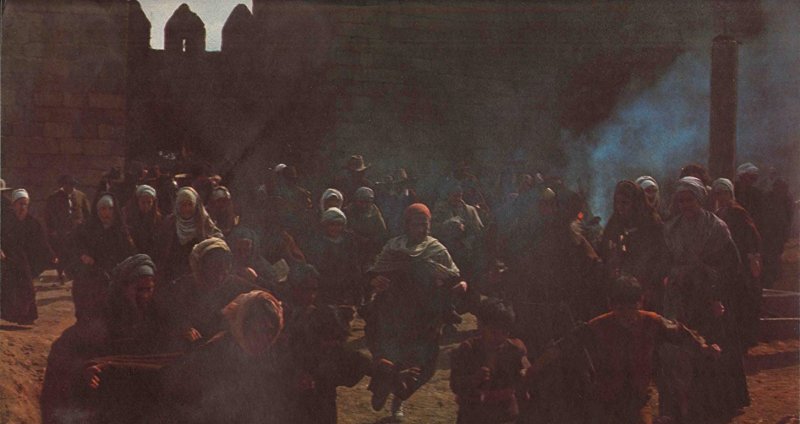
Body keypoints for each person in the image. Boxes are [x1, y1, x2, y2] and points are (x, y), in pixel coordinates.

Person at [527, 276, 721, 424]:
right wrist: (533, 368)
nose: (627, 315)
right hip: (606, 401)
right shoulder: (599, 326)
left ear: (640, 302)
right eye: (620, 309)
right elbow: (563, 345)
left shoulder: (652, 322)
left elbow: (681, 333)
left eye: (631, 308)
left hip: (639, 397)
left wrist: (704, 347)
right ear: (611, 305)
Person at [364, 203, 467, 420]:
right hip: (393, 313)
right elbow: (373, 273)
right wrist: (375, 280)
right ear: (407, 225)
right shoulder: (394, 247)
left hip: (426, 315)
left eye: (425, 223)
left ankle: (399, 395)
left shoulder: (436, 249)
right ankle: (384, 387)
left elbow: (454, 276)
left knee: (425, 367)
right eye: (417, 224)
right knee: (393, 357)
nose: (422, 228)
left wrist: (461, 285)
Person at [660, 176, 749, 422]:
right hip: (679, 300)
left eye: (690, 200)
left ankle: (713, 408)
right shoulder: (671, 229)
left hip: (708, 299)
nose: (685, 205)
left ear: (699, 199)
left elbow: (732, 265)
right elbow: (663, 261)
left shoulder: (716, 228)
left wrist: (710, 282)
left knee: (709, 350)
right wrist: (673, 275)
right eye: (681, 201)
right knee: (680, 350)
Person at [40, 255, 161, 424]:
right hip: (104, 403)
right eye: (139, 290)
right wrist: (81, 372)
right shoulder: (99, 318)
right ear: (123, 288)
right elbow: (63, 357)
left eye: (149, 289)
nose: (145, 296)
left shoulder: (158, 318)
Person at [156, 290, 290, 424]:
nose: (264, 339)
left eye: (270, 332)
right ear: (244, 325)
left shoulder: (266, 362)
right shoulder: (214, 353)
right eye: (258, 330)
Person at [282, 265, 371, 424]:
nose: (310, 294)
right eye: (305, 289)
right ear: (293, 288)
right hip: (289, 391)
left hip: (321, 390)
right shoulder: (280, 315)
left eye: (314, 289)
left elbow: (339, 350)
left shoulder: (321, 314)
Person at [153, 237, 258, 351]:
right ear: (200, 267)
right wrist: (182, 327)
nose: (220, 276)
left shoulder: (233, 284)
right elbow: (163, 312)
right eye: (214, 268)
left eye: (225, 268)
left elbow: (263, 295)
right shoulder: (181, 287)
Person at [450, 298, 530, 424]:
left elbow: (524, 373)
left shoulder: (515, 349)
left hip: (505, 414)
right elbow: (455, 384)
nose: (500, 337)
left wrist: (524, 376)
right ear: (481, 326)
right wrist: (474, 379)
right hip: (473, 415)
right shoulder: (468, 350)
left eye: (504, 332)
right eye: (494, 332)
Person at [599, 181, 667, 312]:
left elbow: (661, 258)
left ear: (635, 203)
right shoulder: (614, 223)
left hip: (647, 286)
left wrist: (650, 284)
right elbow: (605, 251)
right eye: (617, 203)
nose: (620, 207)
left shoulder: (652, 224)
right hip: (620, 287)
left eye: (625, 203)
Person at [711, 178, 762, 347]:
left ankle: (746, 338)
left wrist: (752, 256)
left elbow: (751, 235)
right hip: (725, 262)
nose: (721, 197)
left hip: (741, 261)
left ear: (730, 193)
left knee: (743, 299)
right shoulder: (718, 213)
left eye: (724, 193)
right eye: (718, 193)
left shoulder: (738, 212)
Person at [71, 193, 136, 321]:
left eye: (110, 209)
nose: (106, 213)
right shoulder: (87, 229)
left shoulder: (122, 230)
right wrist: (84, 255)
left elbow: (130, 252)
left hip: (115, 272)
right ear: (97, 210)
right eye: (103, 209)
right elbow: (76, 246)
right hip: (93, 271)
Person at [1, 189, 57, 325]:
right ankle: (14, 315)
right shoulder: (5, 220)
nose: (22, 207)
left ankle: (26, 316)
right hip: (7, 258)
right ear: (14, 204)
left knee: (27, 288)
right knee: (9, 288)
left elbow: (41, 240)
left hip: (24, 259)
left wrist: (51, 255)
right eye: (20, 204)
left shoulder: (32, 221)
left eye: (25, 204)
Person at [154, 186, 222, 283]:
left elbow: (217, 239)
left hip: (198, 274)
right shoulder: (170, 223)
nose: (186, 209)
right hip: (173, 273)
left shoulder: (203, 221)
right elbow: (160, 249)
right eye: (183, 205)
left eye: (190, 204)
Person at [303, 207, 362, 306]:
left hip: (345, 283)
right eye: (332, 224)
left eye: (339, 225)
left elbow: (354, 263)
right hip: (324, 284)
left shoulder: (349, 240)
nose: (335, 228)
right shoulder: (317, 241)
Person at [45, 175, 91, 283]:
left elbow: (87, 213)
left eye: (72, 185)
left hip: (77, 231)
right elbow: (48, 215)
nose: (70, 187)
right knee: (61, 253)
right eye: (67, 185)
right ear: (63, 185)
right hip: (61, 231)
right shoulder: (54, 198)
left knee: (76, 253)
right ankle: (61, 274)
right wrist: (52, 229)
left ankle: (74, 275)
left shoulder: (81, 196)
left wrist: (85, 227)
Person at [343, 186, 389, 270]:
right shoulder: (348, 211)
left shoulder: (374, 211)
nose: (364, 205)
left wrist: (373, 241)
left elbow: (382, 231)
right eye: (361, 202)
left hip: (370, 248)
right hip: (351, 248)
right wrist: (357, 237)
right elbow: (343, 230)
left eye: (367, 202)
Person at [122, 185, 162, 258]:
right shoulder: (127, 214)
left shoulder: (157, 217)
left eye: (149, 202)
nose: (146, 206)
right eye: (143, 202)